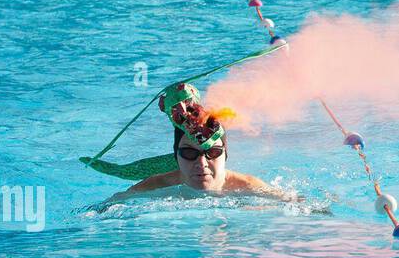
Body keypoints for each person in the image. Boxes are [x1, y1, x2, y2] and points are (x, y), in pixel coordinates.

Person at [101, 82, 288, 204]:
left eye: (213, 153)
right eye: (189, 153)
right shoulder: (155, 186)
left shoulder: (249, 187)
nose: (201, 164)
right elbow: (104, 208)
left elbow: (298, 205)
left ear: (225, 154)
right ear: (176, 156)